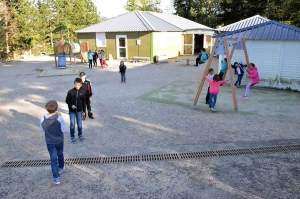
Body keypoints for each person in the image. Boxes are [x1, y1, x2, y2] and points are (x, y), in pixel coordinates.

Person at [39, 100, 66, 185]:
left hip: (50, 141)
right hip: (59, 140)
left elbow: (42, 129)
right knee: (60, 154)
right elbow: (63, 130)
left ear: (46, 109)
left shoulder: (43, 118)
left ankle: (56, 178)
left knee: (53, 158)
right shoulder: (59, 118)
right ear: (56, 108)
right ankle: (61, 167)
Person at [65, 78, 86, 144]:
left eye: (78, 85)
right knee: (72, 124)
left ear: (81, 85)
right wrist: (71, 105)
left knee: (79, 124)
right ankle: (72, 136)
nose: (77, 86)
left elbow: (84, 102)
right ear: (74, 84)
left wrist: (84, 111)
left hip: (79, 111)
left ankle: (80, 135)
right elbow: (67, 100)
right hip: (72, 111)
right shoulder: (70, 92)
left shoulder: (83, 92)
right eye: (75, 84)